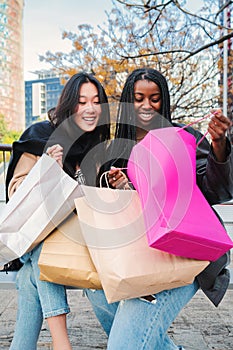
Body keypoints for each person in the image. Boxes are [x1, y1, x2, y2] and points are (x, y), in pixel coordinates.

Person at [85, 67, 233, 350]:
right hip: (134, 254)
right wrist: (122, 190)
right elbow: (115, 216)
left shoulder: (182, 139)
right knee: (102, 299)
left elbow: (215, 190)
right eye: (138, 98)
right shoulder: (115, 151)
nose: (146, 105)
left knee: (124, 345)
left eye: (154, 99)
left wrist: (219, 145)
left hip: (185, 253)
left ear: (163, 101)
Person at [7, 72, 110, 350]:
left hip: (81, 239)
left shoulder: (98, 148)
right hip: (39, 236)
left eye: (96, 101)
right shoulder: (40, 136)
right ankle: (61, 342)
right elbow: (15, 193)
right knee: (44, 255)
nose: (90, 108)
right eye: (81, 102)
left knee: (32, 279)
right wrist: (47, 169)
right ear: (68, 105)